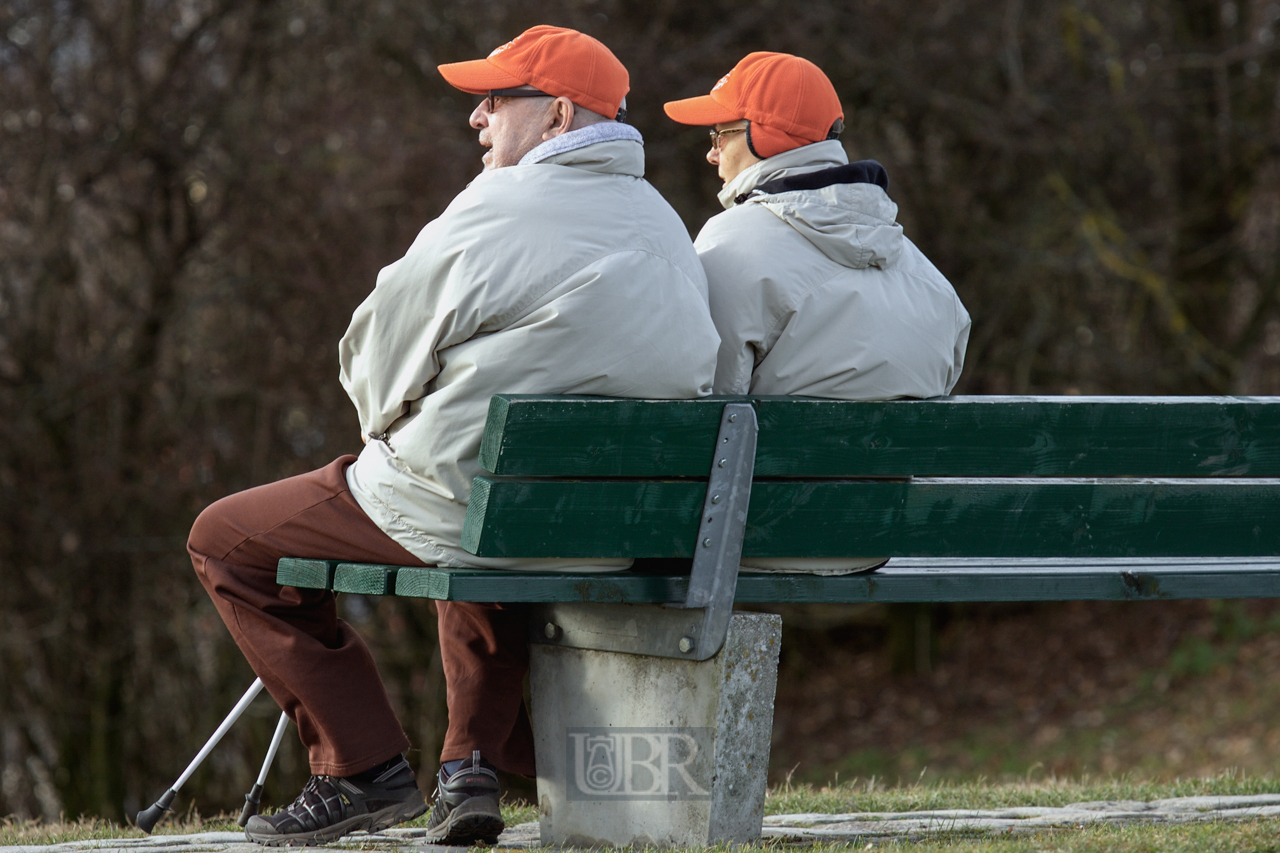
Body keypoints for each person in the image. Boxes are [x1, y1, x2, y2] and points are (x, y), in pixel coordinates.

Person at [188, 25, 719, 847]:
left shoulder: (497, 207)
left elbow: (374, 351)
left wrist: (387, 430)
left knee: (226, 539)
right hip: (611, 526)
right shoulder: (667, 226)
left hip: (470, 500)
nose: (478, 118)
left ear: (558, 117)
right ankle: (468, 767)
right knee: (488, 527)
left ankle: (357, 768)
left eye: (496, 99)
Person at [664, 52, 971, 574]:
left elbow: (701, 397)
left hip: (755, 535)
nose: (712, 156)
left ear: (764, 137)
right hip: (875, 538)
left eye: (721, 134)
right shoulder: (923, 272)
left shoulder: (734, 241)